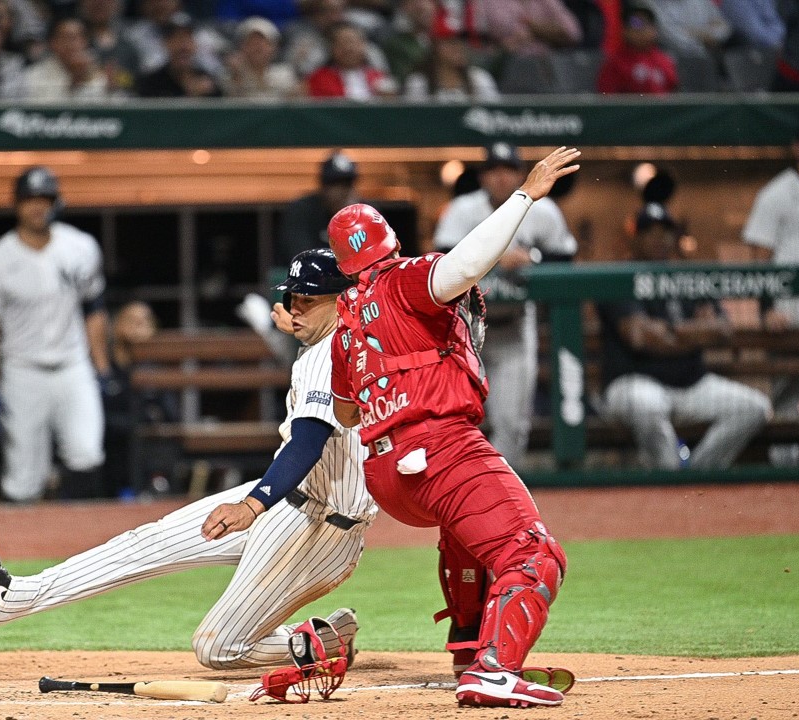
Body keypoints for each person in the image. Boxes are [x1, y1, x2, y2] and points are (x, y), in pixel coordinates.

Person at [0, 249, 372, 670]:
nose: (295, 308)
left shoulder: (331, 354)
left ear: (342, 301)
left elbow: (307, 443)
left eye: (309, 300)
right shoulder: (339, 340)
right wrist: (306, 323)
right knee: (146, 543)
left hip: (323, 532)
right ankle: (13, 598)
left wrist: (252, 505)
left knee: (217, 648)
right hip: (291, 502)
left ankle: (324, 642)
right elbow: (332, 344)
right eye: (293, 298)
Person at [326, 146, 580, 708]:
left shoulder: (345, 325)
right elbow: (462, 267)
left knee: (469, 532)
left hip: (389, 478)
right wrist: (525, 195)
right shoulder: (404, 279)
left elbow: (345, 412)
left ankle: (470, 644)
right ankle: (493, 669)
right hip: (441, 449)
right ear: (389, 242)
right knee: (531, 551)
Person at [0, 166, 110, 502]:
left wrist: (101, 367)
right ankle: (25, 547)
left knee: (86, 452)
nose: (37, 206)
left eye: (45, 198)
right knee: (24, 477)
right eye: (30, 199)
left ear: (56, 202)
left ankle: (78, 543)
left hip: (73, 365)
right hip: (22, 369)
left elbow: (94, 310)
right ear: (16, 204)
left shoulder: (81, 247)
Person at [433, 142, 577, 467]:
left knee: (512, 425)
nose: (500, 177)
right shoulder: (463, 209)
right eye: (493, 170)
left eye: (508, 169)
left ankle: (502, 492)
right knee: (457, 420)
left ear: (520, 174)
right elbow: (441, 258)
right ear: (483, 177)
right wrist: (496, 259)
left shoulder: (543, 210)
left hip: (514, 326)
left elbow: (566, 257)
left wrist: (533, 258)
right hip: (464, 330)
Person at [597, 202, 772, 469]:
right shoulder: (618, 277)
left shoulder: (689, 277)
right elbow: (640, 337)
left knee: (754, 408)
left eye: (665, 232)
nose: (660, 239)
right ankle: (669, 482)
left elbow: (723, 330)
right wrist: (695, 331)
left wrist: (670, 332)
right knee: (647, 407)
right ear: (636, 238)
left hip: (692, 385)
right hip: (634, 383)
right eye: (650, 232)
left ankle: (698, 476)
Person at [742, 112, 799, 464]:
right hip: (791, 311)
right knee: (786, 401)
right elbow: (759, 261)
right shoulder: (775, 193)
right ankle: (784, 476)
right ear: (797, 148)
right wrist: (767, 310)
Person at [102, 300, 179, 498]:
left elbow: (171, 412)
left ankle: (156, 486)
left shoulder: (156, 366)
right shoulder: (105, 360)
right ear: (117, 324)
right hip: (112, 433)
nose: (139, 326)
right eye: (132, 320)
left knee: (156, 429)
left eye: (145, 321)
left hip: (149, 433)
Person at [275, 150, 362, 270]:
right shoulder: (303, 210)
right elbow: (303, 260)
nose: (342, 191)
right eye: (335, 184)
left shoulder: (365, 214)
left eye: (347, 184)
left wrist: (351, 220)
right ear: (323, 187)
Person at [135, 11, 223, 97]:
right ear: (166, 43)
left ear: (194, 44)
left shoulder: (209, 81)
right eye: (177, 39)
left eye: (187, 38)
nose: (183, 46)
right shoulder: (151, 83)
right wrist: (190, 95)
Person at [597, 2, 678, 96]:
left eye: (648, 23)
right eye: (636, 23)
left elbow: (675, 95)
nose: (642, 29)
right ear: (624, 30)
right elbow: (606, 99)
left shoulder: (665, 61)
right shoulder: (615, 63)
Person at [22, 15, 108, 101]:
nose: (72, 44)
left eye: (77, 38)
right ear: (52, 43)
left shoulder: (99, 73)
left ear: (85, 42)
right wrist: (74, 83)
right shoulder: (33, 75)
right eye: (66, 38)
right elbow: (42, 109)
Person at [306, 21, 398, 99]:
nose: (349, 48)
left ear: (364, 45)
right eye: (342, 43)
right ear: (332, 48)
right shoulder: (319, 78)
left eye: (353, 42)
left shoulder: (380, 78)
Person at [222, 15, 302, 100]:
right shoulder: (229, 75)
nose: (257, 47)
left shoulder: (286, 75)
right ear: (242, 46)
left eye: (263, 42)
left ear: (274, 47)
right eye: (251, 42)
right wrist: (236, 76)